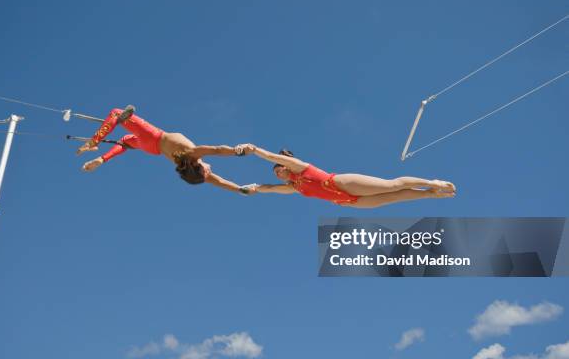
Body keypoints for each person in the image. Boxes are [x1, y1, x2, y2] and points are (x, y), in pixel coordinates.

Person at [76, 105, 250, 193]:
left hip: (154, 137)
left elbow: (218, 149)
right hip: (152, 149)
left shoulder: (193, 154)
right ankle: (102, 159)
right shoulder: (188, 162)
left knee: (115, 113)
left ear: (199, 168)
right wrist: (239, 189)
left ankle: (93, 142)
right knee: (125, 142)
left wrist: (237, 151)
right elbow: (220, 182)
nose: (211, 171)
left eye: (206, 172)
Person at [237, 144, 456, 208]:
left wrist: (253, 149)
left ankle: (432, 181)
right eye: (276, 173)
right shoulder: (294, 187)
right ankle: (430, 194)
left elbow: (268, 155)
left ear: (285, 166)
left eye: (279, 169)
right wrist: (252, 188)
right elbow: (270, 189)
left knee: (391, 186)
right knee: (394, 197)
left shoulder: (299, 167)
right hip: (345, 200)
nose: (279, 174)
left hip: (340, 183)